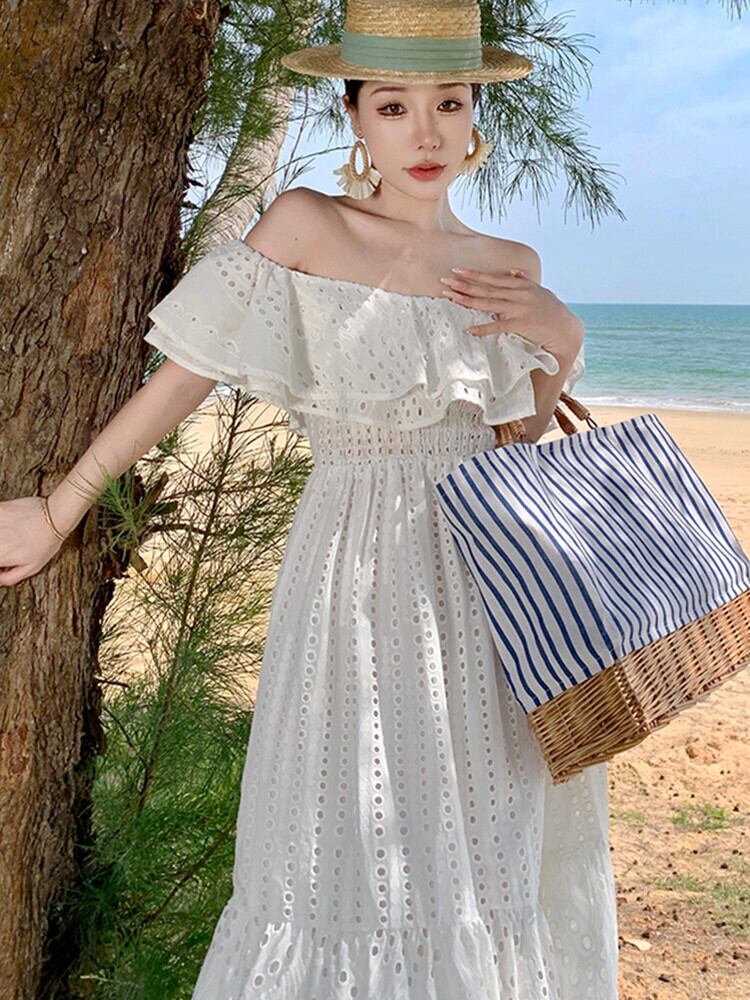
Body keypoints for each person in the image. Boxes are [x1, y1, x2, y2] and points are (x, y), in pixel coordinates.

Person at [0, 1, 619, 997]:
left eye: (449, 103)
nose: (425, 133)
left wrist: (564, 340)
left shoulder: (510, 267)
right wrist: (62, 506)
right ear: (355, 115)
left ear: (474, 116)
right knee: (330, 849)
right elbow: (184, 378)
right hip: (352, 582)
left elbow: (517, 450)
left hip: (483, 606)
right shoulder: (305, 224)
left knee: (477, 855)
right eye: (393, 106)